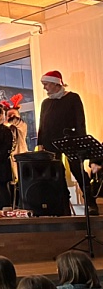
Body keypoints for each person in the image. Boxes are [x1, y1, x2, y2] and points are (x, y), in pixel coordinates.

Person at [37, 70, 98, 215]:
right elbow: (42, 124)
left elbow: (80, 121)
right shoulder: (46, 103)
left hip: (70, 141)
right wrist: (40, 143)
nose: (44, 87)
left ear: (56, 84)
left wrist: (80, 140)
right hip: (51, 142)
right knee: (56, 173)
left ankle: (90, 202)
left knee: (77, 170)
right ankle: (63, 204)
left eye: (46, 84)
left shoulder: (73, 98)